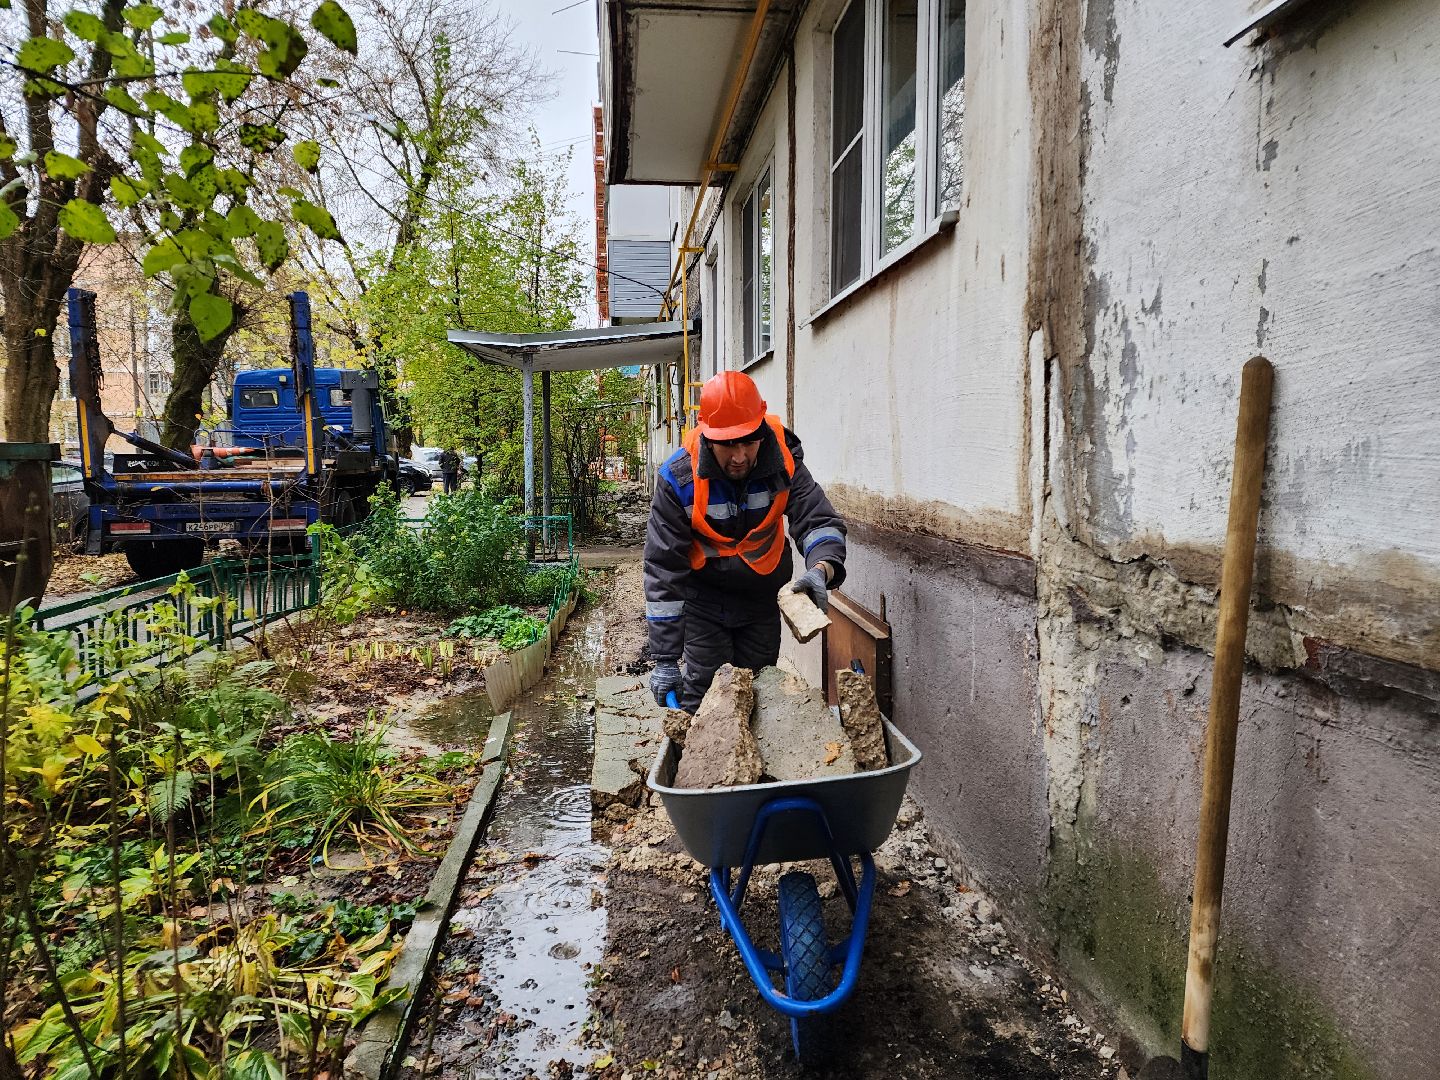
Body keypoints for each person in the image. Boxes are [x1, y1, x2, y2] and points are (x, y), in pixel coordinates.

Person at [644, 371, 847, 712]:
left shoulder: (785, 464)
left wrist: (821, 568)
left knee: (759, 696)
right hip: (704, 603)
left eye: (748, 441)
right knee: (710, 701)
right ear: (708, 435)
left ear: (761, 431)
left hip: (760, 600)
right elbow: (663, 568)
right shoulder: (678, 479)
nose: (739, 456)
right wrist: (665, 658)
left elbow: (817, 519)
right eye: (727, 444)